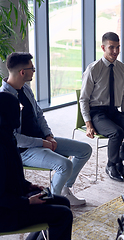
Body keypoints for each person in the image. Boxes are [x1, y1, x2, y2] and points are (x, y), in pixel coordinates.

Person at [0, 52, 92, 206]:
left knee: (84, 150)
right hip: (24, 151)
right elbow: (13, 138)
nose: (34, 71)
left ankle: (65, 190)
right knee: (65, 165)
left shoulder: (26, 89)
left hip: (42, 140)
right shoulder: (5, 99)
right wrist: (41, 143)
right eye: (32, 68)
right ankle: (53, 203)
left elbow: (39, 115)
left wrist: (48, 136)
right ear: (22, 72)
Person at [0, 92, 73, 240]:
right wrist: (27, 202)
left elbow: (11, 176)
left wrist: (28, 186)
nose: (20, 113)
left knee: (64, 202)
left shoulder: (7, 135)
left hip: (14, 198)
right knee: (63, 215)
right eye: (18, 109)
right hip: (5, 213)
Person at [80, 32, 124, 182]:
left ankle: (118, 160)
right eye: (111, 47)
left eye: (118, 47)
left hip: (114, 112)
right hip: (97, 113)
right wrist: (88, 124)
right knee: (116, 133)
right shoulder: (93, 69)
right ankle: (111, 165)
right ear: (103, 47)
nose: (115, 51)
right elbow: (84, 99)